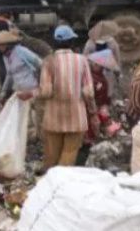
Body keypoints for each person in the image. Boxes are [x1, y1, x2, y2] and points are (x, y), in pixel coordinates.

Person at [27, 25, 97, 171]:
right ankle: (61, 184)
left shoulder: (48, 61)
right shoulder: (81, 60)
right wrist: (92, 112)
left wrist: (32, 94)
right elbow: (89, 92)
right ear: (71, 42)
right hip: (76, 117)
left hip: (53, 118)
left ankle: (47, 186)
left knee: (51, 156)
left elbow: (46, 92)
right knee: (69, 154)